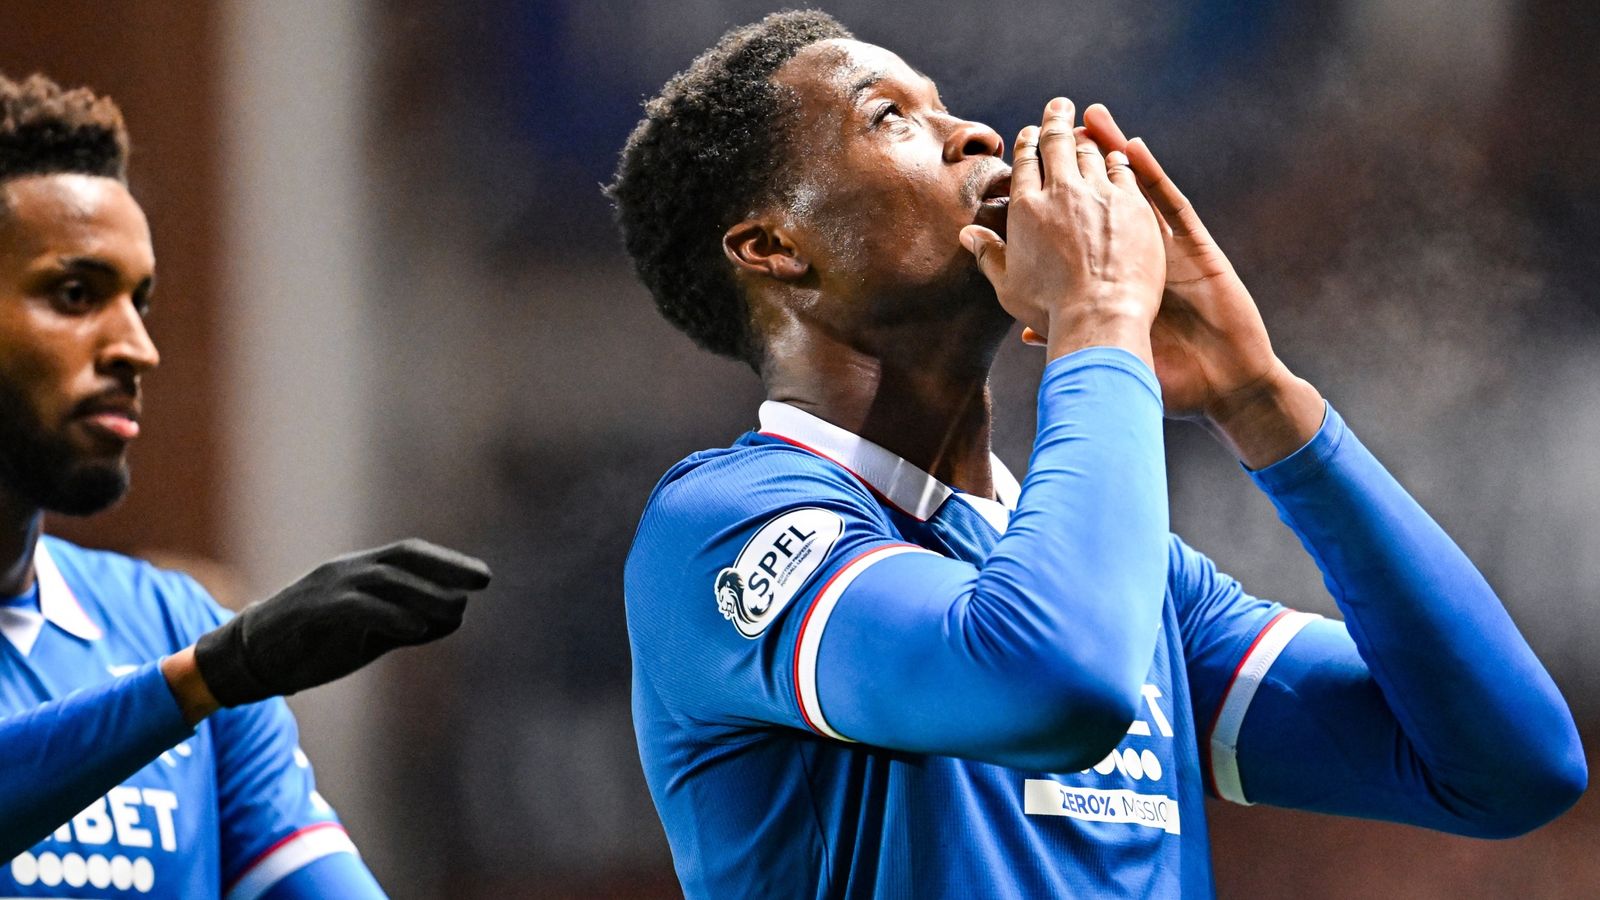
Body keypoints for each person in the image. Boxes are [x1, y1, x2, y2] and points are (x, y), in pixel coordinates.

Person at [608, 11, 1586, 898]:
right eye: (890, 118)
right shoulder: (726, 526)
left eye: (944, 104)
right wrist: (1100, 317)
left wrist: (1265, 405)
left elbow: (1507, 767)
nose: (977, 135)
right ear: (774, 247)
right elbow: (1047, 682)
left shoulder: (1131, 585)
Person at [0, 73, 492, 897]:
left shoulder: (174, 626)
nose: (135, 347)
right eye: (76, 294)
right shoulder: (201, 666)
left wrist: (207, 670)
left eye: (141, 302)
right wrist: (196, 682)